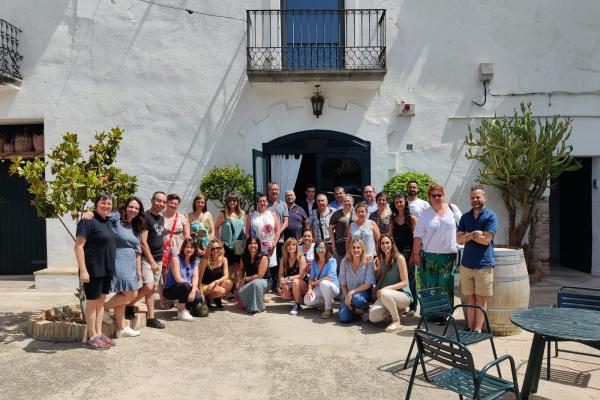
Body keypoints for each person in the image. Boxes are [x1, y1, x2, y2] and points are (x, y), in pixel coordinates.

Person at [74, 193, 117, 349]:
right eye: (103, 203)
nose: (106, 206)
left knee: (101, 302)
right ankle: (91, 336)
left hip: (106, 268)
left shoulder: (108, 221)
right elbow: (78, 246)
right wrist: (83, 270)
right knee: (92, 303)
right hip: (93, 269)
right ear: (96, 204)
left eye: (109, 203)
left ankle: (99, 333)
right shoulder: (87, 221)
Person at [411, 185, 461, 307]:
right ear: (429, 197)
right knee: (429, 286)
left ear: (443, 196)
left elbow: (463, 227)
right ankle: (430, 314)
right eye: (434, 195)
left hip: (448, 257)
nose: (437, 197)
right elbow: (417, 236)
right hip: (429, 257)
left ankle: (445, 314)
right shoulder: (425, 214)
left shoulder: (452, 209)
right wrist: (416, 254)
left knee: (445, 286)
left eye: (439, 195)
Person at [457, 185, 498, 333]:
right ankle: (469, 327)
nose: (475, 200)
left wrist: (468, 235)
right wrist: (475, 234)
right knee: (470, 298)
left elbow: (486, 240)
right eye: (472, 197)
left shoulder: (491, 216)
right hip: (467, 264)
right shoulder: (465, 217)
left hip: (483, 265)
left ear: (484, 198)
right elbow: (459, 240)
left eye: (478, 197)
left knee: (481, 299)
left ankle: (478, 329)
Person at [103, 197, 145, 338]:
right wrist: (88, 214)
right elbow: (101, 215)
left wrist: (139, 270)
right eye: (131, 207)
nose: (133, 210)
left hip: (131, 264)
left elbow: (138, 251)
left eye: (136, 208)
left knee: (123, 295)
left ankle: (121, 329)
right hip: (118, 261)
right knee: (131, 294)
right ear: (125, 207)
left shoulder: (135, 227)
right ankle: (103, 308)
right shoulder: (116, 218)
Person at [126, 191, 167, 329]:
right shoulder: (145, 217)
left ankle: (151, 317)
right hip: (147, 258)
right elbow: (143, 242)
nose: (161, 204)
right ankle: (129, 304)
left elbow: (159, 237)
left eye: (163, 202)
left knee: (151, 289)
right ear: (152, 200)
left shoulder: (161, 219)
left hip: (158, 257)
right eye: (159, 200)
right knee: (148, 286)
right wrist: (152, 261)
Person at [369, 235, 413, 332]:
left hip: (402, 295)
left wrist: (386, 289)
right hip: (387, 296)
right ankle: (396, 310)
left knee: (385, 293)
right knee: (373, 317)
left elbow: (405, 282)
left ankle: (396, 321)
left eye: (387, 242)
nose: (385, 245)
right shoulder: (381, 258)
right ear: (379, 245)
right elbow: (379, 278)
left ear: (392, 244)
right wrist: (376, 268)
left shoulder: (400, 258)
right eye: (382, 243)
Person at [159, 193, 191, 309]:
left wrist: (191, 244)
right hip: (165, 248)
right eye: (171, 203)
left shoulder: (182, 217)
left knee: (177, 273)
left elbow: (187, 233)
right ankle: (163, 299)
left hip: (179, 247)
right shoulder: (160, 217)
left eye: (175, 204)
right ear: (167, 203)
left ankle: (176, 297)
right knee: (164, 273)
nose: (173, 205)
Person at [163, 238, 205, 321]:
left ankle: (185, 305)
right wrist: (192, 286)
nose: (189, 249)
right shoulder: (176, 259)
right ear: (183, 248)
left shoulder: (195, 261)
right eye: (187, 247)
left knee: (198, 298)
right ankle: (181, 311)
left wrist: (193, 291)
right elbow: (178, 279)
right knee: (184, 286)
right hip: (171, 289)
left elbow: (195, 277)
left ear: (195, 249)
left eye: (192, 247)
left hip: (186, 288)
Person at [391, 192, 418, 316]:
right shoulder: (393, 219)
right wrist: (394, 253)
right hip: (397, 253)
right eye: (396, 202)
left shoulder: (411, 218)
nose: (399, 204)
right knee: (398, 278)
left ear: (405, 202)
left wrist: (414, 254)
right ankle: (401, 305)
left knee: (411, 279)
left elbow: (416, 237)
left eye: (401, 202)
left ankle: (413, 306)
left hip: (409, 252)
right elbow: (391, 237)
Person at [338, 239, 376, 323]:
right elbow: (343, 283)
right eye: (353, 248)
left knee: (357, 299)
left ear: (362, 249)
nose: (356, 250)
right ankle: (353, 310)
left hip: (363, 294)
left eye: (358, 247)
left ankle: (366, 308)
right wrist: (347, 298)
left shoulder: (368, 262)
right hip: (347, 293)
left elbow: (368, 284)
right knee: (344, 318)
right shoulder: (344, 262)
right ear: (350, 249)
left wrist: (351, 292)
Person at [214, 192, 245, 294]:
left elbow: (245, 229)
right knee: (229, 269)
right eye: (230, 200)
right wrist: (220, 240)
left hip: (239, 244)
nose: (232, 202)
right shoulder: (223, 214)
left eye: (234, 200)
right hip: (227, 244)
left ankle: (237, 290)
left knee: (238, 269)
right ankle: (228, 290)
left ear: (237, 202)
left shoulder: (242, 214)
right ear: (227, 202)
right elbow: (215, 228)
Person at [303, 239, 339, 319]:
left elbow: (329, 278)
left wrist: (315, 283)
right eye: (318, 248)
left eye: (322, 248)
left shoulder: (332, 261)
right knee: (307, 300)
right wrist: (309, 289)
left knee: (324, 283)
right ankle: (326, 301)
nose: (321, 250)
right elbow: (311, 278)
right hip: (320, 287)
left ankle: (328, 309)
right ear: (315, 250)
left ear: (326, 249)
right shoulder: (314, 262)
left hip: (332, 288)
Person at [246, 193, 280, 277]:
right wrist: (251, 245)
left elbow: (278, 230)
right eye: (260, 201)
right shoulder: (252, 216)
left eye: (264, 201)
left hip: (271, 246)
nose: (262, 203)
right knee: (259, 268)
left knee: (272, 268)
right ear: (257, 203)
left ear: (267, 202)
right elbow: (247, 232)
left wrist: (274, 244)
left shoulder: (272, 215)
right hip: (257, 247)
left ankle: (273, 286)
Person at [237, 237, 270, 314]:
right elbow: (241, 270)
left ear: (258, 245)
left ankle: (258, 307)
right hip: (250, 282)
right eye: (250, 243)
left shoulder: (263, 257)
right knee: (240, 306)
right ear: (247, 245)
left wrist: (245, 279)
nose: (252, 245)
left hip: (265, 282)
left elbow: (260, 276)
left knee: (256, 283)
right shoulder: (244, 257)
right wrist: (240, 280)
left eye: (255, 243)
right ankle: (259, 297)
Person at [198, 239, 233, 308]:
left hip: (214, 284)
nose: (215, 250)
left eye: (218, 248)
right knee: (222, 291)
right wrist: (201, 294)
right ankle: (206, 297)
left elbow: (226, 276)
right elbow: (199, 279)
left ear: (221, 249)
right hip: (204, 285)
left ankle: (216, 298)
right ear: (209, 250)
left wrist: (215, 282)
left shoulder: (224, 259)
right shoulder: (205, 260)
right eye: (213, 249)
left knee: (229, 283)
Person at [277, 237, 308, 315]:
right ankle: (298, 298)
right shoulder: (283, 259)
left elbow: (301, 275)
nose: (291, 246)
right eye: (289, 245)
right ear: (286, 247)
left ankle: (297, 305)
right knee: (284, 295)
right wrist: (282, 281)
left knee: (295, 281)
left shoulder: (301, 258)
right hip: (290, 283)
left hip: (302, 284)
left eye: (293, 244)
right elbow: (280, 274)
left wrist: (287, 278)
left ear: (296, 246)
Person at [267, 182, 288, 292]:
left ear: (279, 191)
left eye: (276, 189)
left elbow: (286, 222)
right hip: (267, 240)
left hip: (279, 239)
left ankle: (277, 284)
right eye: (272, 189)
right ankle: (269, 284)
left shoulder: (283, 205)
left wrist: (278, 231)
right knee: (268, 261)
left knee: (279, 262)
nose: (274, 191)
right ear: (268, 191)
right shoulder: (264, 204)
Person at [328, 194, 355, 261]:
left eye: (348, 201)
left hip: (354, 243)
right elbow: (330, 229)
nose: (346, 203)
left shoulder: (357, 212)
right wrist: (333, 245)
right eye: (344, 201)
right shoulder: (336, 214)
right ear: (342, 202)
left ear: (352, 202)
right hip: (340, 244)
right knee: (341, 265)